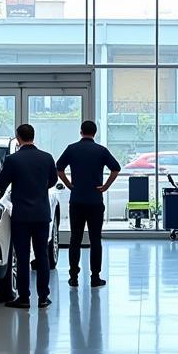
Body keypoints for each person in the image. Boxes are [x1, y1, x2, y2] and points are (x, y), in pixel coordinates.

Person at [0, 123, 58, 310]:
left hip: (21, 216)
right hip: (41, 214)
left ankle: (24, 298)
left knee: (22, 257)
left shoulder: (12, 160)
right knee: (42, 257)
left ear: (18, 138)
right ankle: (43, 298)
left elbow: (1, 183)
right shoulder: (47, 158)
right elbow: (53, 180)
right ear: (33, 136)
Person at [55, 120, 120, 288]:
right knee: (95, 239)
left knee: (74, 239)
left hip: (76, 200)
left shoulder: (72, 149)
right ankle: (95, 277)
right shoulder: (101, 151)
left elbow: (59, 168)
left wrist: (69, 184)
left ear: (81, 131)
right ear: (95, 133)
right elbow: (116, 168)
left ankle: (73, 277)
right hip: (95, 201)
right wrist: (105, 186)